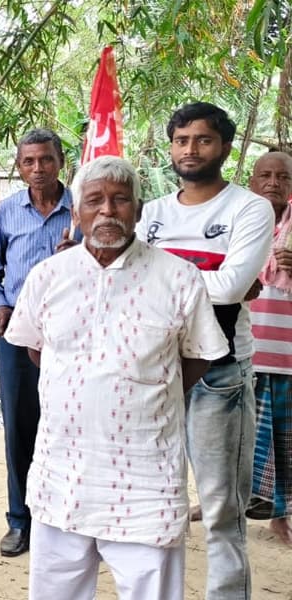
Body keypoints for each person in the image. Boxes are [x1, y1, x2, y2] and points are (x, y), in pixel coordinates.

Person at [6, 156, 228, 599]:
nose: (107, 210)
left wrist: (142, 392)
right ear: (76, 212)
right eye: (94, 200)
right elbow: (35, 348)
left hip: (145, 478)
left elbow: (198, 356)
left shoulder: (179, 278)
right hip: (63, 474)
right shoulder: (48, 276)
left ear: (139, 210)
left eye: (120, 200)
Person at [135, 102, 275, 599]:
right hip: (154, 371)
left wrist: (156, 275)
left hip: (220, 375)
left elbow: (233, 286)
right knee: (157, 501)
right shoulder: (153, 212)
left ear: (225, 148)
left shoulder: (249, 208)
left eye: (203, 139)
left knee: (220, 508)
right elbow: (125, 279)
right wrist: (202, 280)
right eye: (181, 140)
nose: (190, 149)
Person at [0, 127, 76, 556]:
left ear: (61, 162)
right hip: (17, 331)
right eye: (28, 161)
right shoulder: (6, 212)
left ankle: (65, 519)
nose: (38, 168)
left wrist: (76, 254)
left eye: (46, 159)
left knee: (69, 423)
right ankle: (20, 520)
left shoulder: (83, 209)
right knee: (19, 425)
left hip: (72, 333)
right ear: (19, 167)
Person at [246, 151, 292, 546]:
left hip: (287, 352)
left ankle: (281, 515)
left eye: (283, 177)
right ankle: (222, 503)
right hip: (244, 350)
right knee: (238, 438)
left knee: (285, 442)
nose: (273, 183)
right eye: (265, 175)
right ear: (252, 180)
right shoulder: (240, 222)